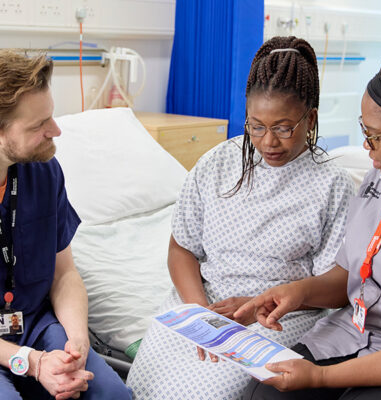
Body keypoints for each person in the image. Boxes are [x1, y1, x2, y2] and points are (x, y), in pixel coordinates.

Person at [127, 36, 354, 399]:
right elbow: (181, 247)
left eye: (283, 127)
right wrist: (199, 314)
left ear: (310, 119)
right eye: (256, 126)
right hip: (201, 305)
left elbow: (340, 285)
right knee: (143, 386)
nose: (268, 142)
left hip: (277, 319)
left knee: (215, 391)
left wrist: (262, 302)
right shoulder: (217, 163)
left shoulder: (333, 186)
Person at [235, 51, 381, 400]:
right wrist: (297, 293)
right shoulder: (380, 178)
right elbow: (351, 276)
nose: (366, 145)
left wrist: (321, 379)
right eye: (363, 131)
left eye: (376, 136)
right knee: (264, 394)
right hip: (351, 333)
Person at [0, 50, 132, 400]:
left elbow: (64, 274)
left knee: (109, 395)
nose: (55, 130)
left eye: (51, 116)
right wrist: (31, 362)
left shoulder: (44, 172)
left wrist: (77, 342)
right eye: (38, 125)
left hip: (34, 326)